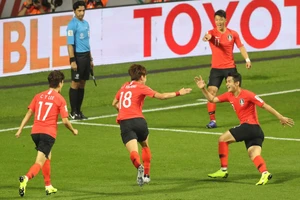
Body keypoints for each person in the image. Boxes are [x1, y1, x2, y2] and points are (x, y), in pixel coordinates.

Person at [194, 72, 294, 185]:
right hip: (256, 132)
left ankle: (223, 170)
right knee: (253, 154)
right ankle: (264, 173)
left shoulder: (248, 94)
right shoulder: (229, 95)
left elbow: (265, 105)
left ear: (237, 83)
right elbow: (212, 99)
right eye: (226, 82)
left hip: (250, 127)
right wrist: (203, 89)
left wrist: (280, 117)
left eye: (229, 82)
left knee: (222, 139)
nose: (227, 84)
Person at [112, 64, 192, 186]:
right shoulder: (141, 87)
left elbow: (114, 103)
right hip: (139, 121)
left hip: (125, 122)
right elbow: (162, 96)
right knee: (145, 145)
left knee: (133, 152)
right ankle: (147, 175)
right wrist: (179, 92)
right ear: (142, 76)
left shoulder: (124, 87)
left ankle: (139, 166)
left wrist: (122, 111)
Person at [15, 70, 78, 197]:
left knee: (47, 156)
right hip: (47, 134)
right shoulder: (60, 99)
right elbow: (65, 121)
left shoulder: (38, 96)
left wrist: (20, 129)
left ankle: (48, 186)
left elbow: (29, 113)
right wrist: (73, 130)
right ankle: (25, 178)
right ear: (60, 83)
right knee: (39, 162)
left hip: (35, 133)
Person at [202, 9, 252, 128]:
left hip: (230, 68)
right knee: (211, 92)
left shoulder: (233, 34)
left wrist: (247, 59)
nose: (218, 22)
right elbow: (207, 36)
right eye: (216, 20)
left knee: (237, 94)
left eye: (220, 19)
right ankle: (212, 121)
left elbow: (241, 46)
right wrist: (206, 38)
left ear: (225, 20)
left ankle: (245, 119)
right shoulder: (211, 32)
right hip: (216, 69)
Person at [67, 1, 94, 120]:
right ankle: (73, 112)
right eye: (79, 11)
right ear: (74, 11)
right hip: (78, 57)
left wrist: (91, 58)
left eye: (83, 11)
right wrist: (72, 60)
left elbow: (87, 43)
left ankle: (78, 111)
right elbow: (70, 44)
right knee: (75, 83)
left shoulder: (86, 24)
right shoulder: (72, 25)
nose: (82, 13)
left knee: (82, 83)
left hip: (86, 57)